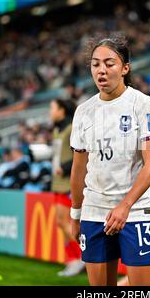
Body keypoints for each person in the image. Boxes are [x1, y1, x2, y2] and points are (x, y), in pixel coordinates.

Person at [69, 35, 150, 286]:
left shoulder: (143, 104)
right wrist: (76, 214)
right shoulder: (83, 111)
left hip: (138, 211)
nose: (101, 70)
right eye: (95, 64)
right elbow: (78, 169)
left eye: (109, 63)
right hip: (95, 211)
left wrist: (125, 205)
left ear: (125, 68)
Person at [49, 97, 85, 277]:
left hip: (67, 184)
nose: (50, 112)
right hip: (57, 183)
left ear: (62, 110)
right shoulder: (57, 130)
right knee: (60, 223)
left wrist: (63, 167)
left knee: (65, 223)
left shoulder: (71, 129)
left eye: (53, 108)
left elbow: (79, 156)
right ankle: (71, 259)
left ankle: (83, 257)